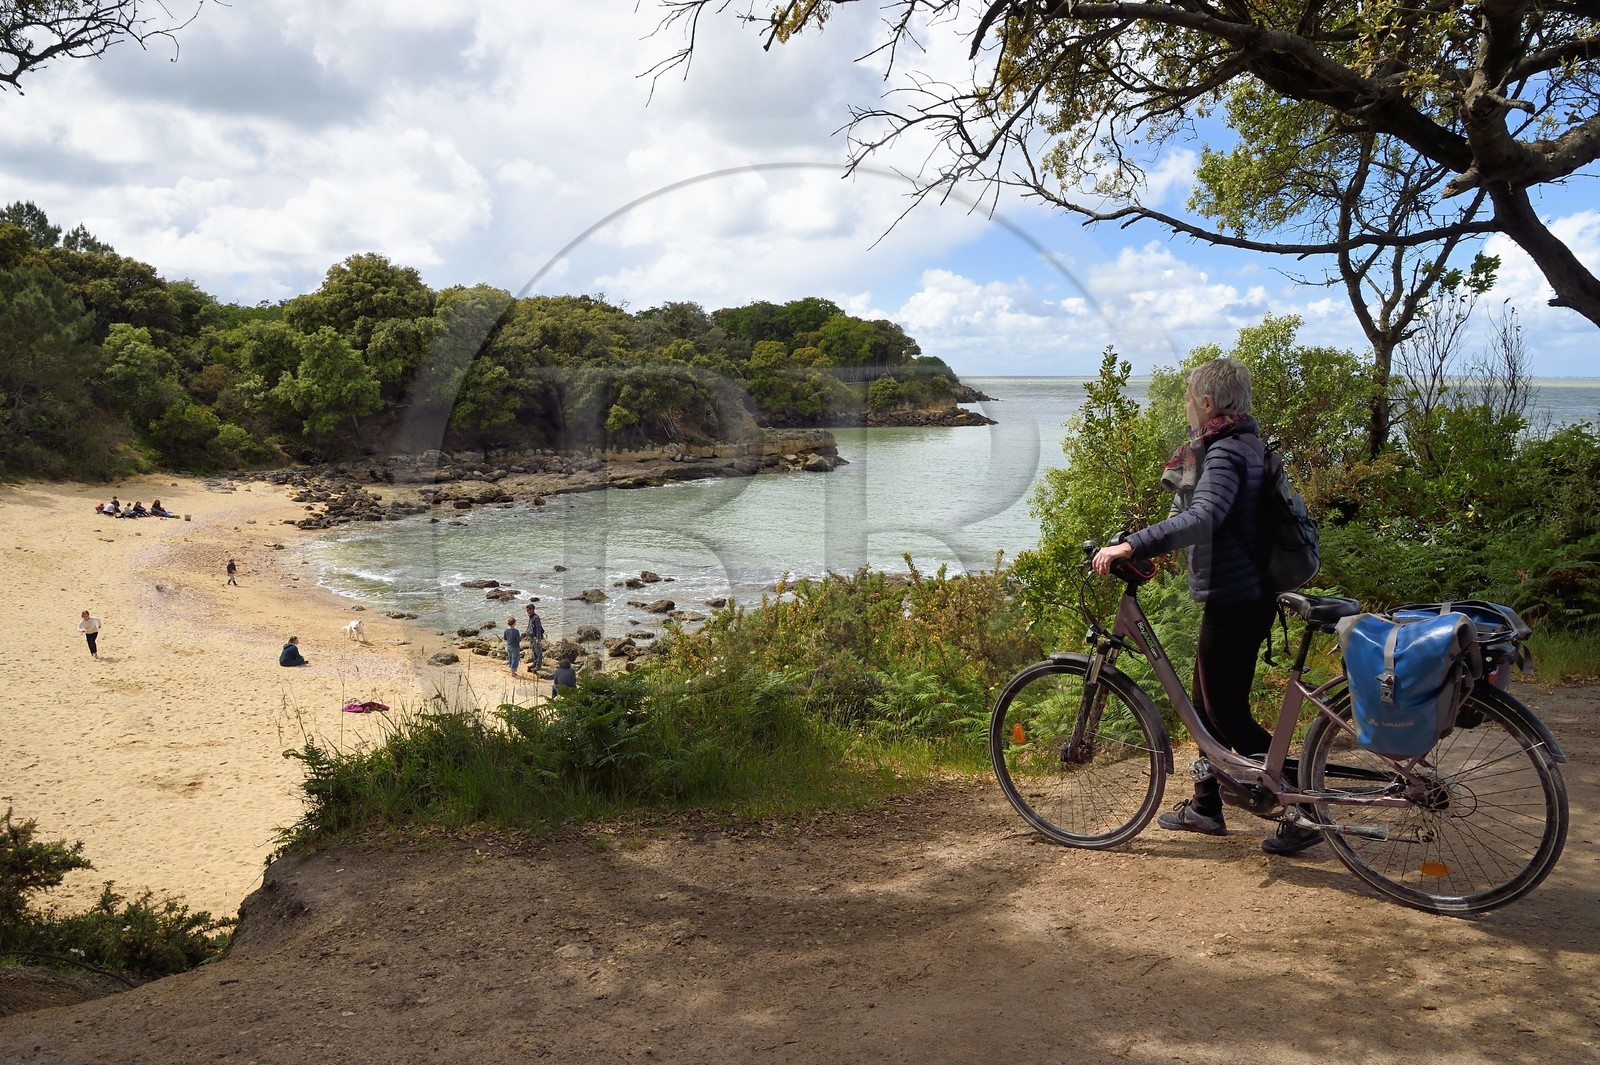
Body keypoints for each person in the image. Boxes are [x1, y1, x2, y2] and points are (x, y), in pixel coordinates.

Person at [1092, 357, 1320, 857]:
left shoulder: (1225, 453)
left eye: (1190, 399)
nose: (1187, 409)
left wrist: (1133, 545)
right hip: (1246, 593)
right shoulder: (1247, 443)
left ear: (1208, 403)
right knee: (1203, 708)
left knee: (1228, 715)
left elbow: (1205, 517)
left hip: (1237, 600)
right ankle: (1205, 804)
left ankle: (1307, 808)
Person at [524, 603, 545, 671]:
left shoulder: (536, 618)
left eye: (528, 610)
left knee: (538, 651)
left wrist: (538, 639)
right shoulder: (531, 617)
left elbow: (538, 629)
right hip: (532, 637)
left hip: (536, 637)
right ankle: (535, 663)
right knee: (534, 651)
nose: (527, 612)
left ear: (532, 610)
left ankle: (538, 665)